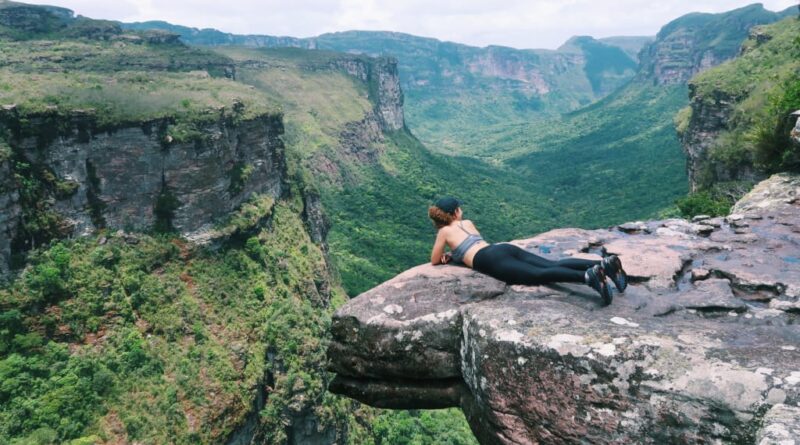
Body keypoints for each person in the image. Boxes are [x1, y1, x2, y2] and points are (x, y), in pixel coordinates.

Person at [428, 197, 627, 306]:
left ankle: (588, 277)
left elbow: (435, 260)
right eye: (459, 208)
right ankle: (602, 265)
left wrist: (451, 256)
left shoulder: (444, 231)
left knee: (537, 275)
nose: (461, 210)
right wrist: (456, 254)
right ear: (455, 213)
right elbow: (466, 245)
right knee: (551, 264)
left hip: (488, 261)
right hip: (500, 249)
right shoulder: (467, 223)